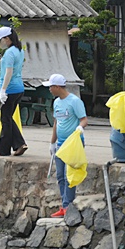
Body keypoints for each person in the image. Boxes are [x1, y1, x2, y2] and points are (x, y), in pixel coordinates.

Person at [44, 74, 88, 217]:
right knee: (60, 176)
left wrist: (80, 128)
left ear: (57, 87)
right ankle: (64, 206)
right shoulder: (56, 102)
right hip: (60, 144)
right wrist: (52, 142)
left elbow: (84, 119)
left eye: (51, 87)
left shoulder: (74, 101)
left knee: (69, 176)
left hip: (73, 144)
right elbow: (56, 123)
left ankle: (69, 206)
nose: (49, 89)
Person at [0, 26, 27, 157]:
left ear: (7, 38)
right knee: (8, 117)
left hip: (10, 89)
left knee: (5, 120)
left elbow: (9, 72)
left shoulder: (9, 53)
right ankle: (19, 144)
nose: (0, 43)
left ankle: (3, 150)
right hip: (19, 88)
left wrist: (3, 90)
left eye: (1, 40)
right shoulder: (19, 50)